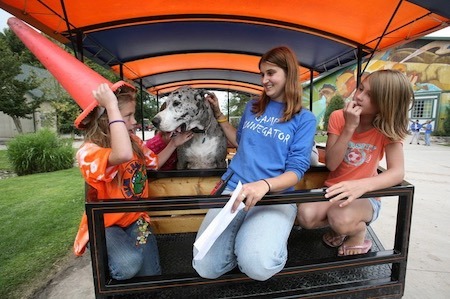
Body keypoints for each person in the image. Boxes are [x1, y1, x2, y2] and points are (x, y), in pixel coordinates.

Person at [192, 46, 317, 281]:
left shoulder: (304, 118)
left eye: (271, 73)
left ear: (289, 73)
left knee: (259, 265)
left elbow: (296, 170)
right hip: (234, 190)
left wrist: (264, 185)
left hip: (274, 196)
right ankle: (245, 248)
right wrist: (219, 114)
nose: (264, 80)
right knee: (204, 265)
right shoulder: (253, 107)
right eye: (262, 74)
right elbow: (240, 142)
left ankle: (261, 246)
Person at [73, 83, 193, 280]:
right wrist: (112, 106)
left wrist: (173, 143)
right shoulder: (88, 152)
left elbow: (153, 163)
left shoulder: (134, 143)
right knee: (129, 265)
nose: (135, 121)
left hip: (135, 219)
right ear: (107, 119)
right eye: (128, 116)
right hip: (107, 225)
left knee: (150, 275)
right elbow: (122, 154)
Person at [296, 69, 413, 256]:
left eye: (370, 96)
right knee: (305, 216)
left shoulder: (386, 128)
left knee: (340, 217)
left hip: (366, 197)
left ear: (386, 104)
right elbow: (332, 164)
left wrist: (360, 186)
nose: (359, 97)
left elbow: (397, 172)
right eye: (360, 89)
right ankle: (341, 229)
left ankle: (358, 233)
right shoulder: (338, 117)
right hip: (334, 190)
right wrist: (349, 127)